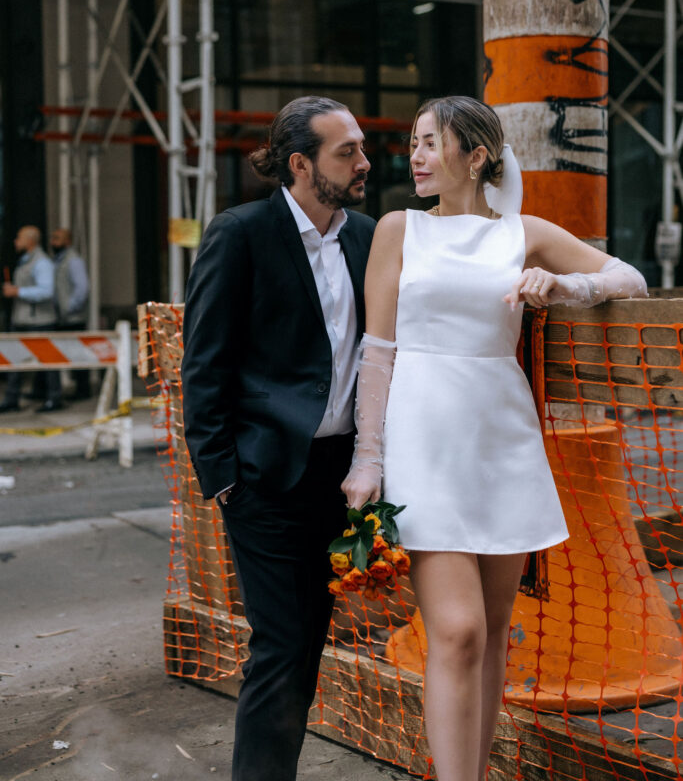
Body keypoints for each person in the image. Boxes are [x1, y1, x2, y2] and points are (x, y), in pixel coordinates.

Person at [342, 95, 648, 781]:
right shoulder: (397, 229)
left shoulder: (522, 231)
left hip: (501, 439)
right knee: (457, 631)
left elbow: (626, 277)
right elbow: (378, 350)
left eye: (428, 143)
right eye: (413, 143)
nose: (414, 156)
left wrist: (559, 284)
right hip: (423, 440)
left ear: (474, 156)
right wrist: (368, 458)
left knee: (492, 631)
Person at [181, 96, 374, 781]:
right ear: (300, 164)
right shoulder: (241, 233)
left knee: (309, 639)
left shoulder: (367, 236)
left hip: (344, 476)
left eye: (359, 148)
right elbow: (203, 363)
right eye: (345, 152)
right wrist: (223, 474)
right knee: (282, 643)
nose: (363, 162)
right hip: (265, 475)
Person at [0, 225, 62, 412]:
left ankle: (54, 398)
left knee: (49, 362)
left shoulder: (41, 262)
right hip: (23, 319)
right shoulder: (25, 261)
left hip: (40, 320)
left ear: (30, 240)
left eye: (19, 238)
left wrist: (18, 291)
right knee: (15, 359)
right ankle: (12, 398)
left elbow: (46, 291)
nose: (15, 242)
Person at [51, 227, 91, 400]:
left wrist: (68, 307)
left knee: (77, 355)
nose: (53, 242)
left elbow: (82, 288)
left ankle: (82, 390)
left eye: (57, 238)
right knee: (65, 354)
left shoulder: (73, 260)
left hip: (73, 317)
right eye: (52, 238)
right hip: (63, 316)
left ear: (67, 241)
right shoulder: (58, 260)